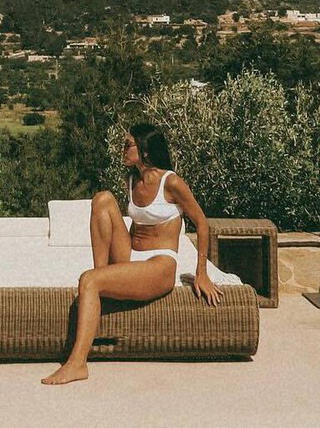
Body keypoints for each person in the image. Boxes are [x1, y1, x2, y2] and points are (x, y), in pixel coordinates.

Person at [41, 123, 222, 385]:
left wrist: (201, 273)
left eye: (128, 145)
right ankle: (102, 278)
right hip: (132, 255)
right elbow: (134, 227)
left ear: (144, 150)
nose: (122, 149)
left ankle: (78, 363)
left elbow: (202, 223)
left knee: (88, 280)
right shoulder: (132, 180)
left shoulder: (170, 182)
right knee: (103, 199)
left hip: (159, 264)